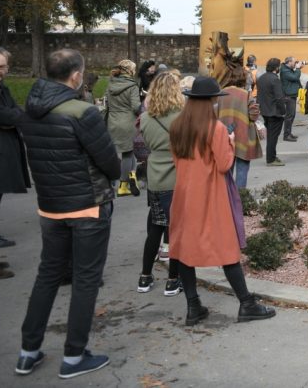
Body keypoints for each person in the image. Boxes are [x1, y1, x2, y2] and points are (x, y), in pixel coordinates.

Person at [15, 49, 119, 379]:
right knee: (85, 280)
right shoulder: (82, 112)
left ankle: (27, 351)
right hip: (87, 205)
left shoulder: (29, 111)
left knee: (47, 275)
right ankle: (74, 355)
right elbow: (110, 162)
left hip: (51, 206)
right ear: (76, 75)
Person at [170, 77, 275, 327]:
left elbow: (177, 161)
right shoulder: (214, 128)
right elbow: (225, 164)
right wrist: (229, 140)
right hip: (211, 194)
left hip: (184, 194)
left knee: (184, 250)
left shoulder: (177, 126)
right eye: (215, 100)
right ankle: (246, 303)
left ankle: (193, 306)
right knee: (227, 248)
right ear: (209, 102)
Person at [137, 72, 184, 296]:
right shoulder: (182, 117)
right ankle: (173, 279)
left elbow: (146, 143)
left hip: (154, 175)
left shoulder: (146, 118)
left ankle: (144, 277)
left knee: (155, 228)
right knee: (175, 231)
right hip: (176, 177)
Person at [0, 46, 29, 279]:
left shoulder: (1, 89)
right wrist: (10, 118)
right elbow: (7, 116)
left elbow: (15, 114)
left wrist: (11, 118)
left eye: (1, 66)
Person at [218, 68, 264, 188]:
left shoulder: (220, 93)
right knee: (242, 170)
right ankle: (240, 199)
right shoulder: (246, 94)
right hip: (243, 136)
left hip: (224, 136)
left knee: (227, 170)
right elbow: (253, 115)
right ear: (243, 79)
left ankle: (227, 198)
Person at [106, 59, 142, 197]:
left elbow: (107, 103)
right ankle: (123, 185)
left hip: (113, 121)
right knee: (128, 153)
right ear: (130, 70)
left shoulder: (111, 84)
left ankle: (131, 176)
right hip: (128, 122)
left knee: (122, 152)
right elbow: (135, 107)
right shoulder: (132, 86)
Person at [256, 58, 286, 167]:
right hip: (274, 112)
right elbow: (279, 97)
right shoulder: (275, 79)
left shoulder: (261, 78)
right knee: (273, 137)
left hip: (265, 110)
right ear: (276, 67)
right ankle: (271, 159)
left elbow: (259, 95)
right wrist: (283, 111)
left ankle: (272, 156)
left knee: (271, 136)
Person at [279, 56, 303, 141]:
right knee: (289, 116)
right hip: (288, 95)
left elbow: (294, 76)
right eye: (293, 62)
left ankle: (289, 133)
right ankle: (286, 135)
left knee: (291, 115)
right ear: (289, 62)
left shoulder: (288, 69)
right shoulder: (285, 71)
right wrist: (298, 69)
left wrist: (297, 69)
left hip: (292, 94)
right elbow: (294, 77)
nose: (295, 63)